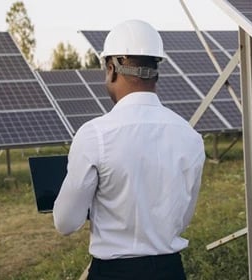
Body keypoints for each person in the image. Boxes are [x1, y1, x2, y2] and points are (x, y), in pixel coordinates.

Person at [53, 19, 205, 280]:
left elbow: (65, 223)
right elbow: (182, 217)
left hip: (114, 273)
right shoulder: (189, 136)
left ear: (112, 69)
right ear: (156, 70)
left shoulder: (95, 134)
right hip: (170, 272)